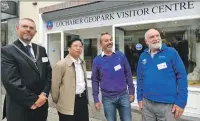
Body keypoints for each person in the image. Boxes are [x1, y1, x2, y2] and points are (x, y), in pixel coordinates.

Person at [1, 18, 52, 121]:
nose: (28, 29)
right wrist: (34, 100)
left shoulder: (41, 50)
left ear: (35, 32)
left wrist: (44, 94)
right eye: (25, 26)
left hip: (41, 106)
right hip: (20, 107)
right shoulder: (8, 51)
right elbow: (11, 81)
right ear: (17, 28)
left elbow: (48, 73)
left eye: (31, 28)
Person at [137, 29, 188, 121]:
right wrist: (139, 98)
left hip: (167, 104)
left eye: (157, 36)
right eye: (152, 37)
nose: (156, 38)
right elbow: (140, 78)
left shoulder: (171, 52)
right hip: (147, 103)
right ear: (146, 41)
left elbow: (182, 76)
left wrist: (181, 102)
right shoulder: (143, 56)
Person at [92, 32, 135, 121]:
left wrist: (131, 91)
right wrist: (96, 99)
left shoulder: (120, 56)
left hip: (123, 95)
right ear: (101, 44)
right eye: (106, 41)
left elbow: (128, 73)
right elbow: (95, 80)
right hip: (107, 98)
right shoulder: (97, 60)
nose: (109, 42)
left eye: (110, 40)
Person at [51, 38, 89, 121]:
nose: (78, 48)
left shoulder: (83, 63)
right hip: (67, 103)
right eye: (75, 46)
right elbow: (55, 87)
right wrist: (59, 101)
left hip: (82, 101)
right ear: (68, 48)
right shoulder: (61, 65)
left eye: (80, 46)